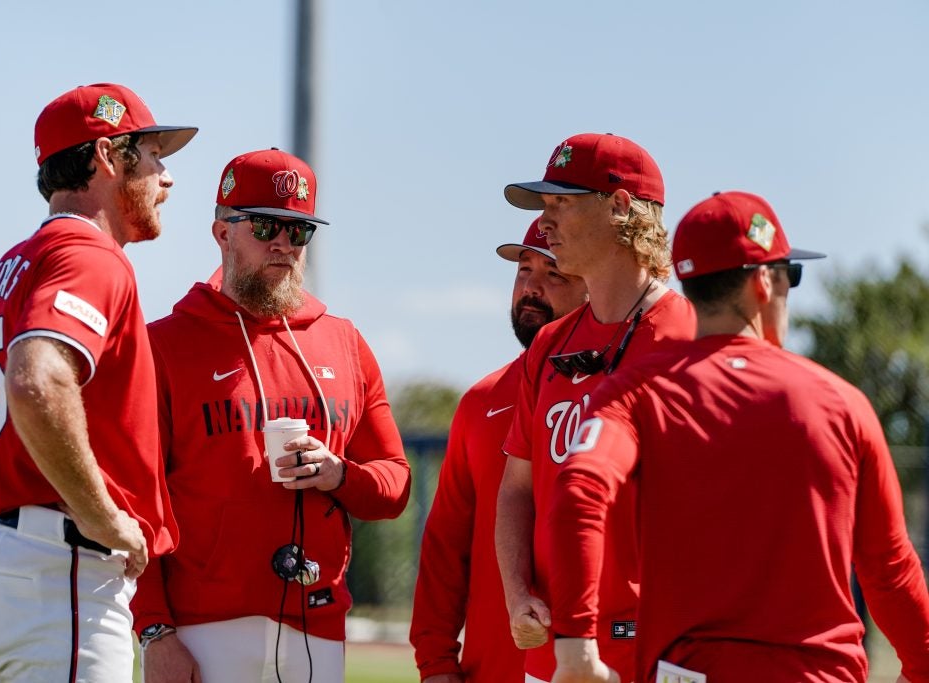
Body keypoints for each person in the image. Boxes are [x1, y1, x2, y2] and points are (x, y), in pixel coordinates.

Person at [548, 190, 929, 683]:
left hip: (689, 671)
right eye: (791, 274)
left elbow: (578, 491)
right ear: (764, 284)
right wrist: (921, 664)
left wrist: (575, 645)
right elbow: (889, 565)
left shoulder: (635, 392)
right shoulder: (841, 403)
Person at [131, 148, 413, 683]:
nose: (283, 242)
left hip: (317, 622)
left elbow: (395, 485)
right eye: (265, 226)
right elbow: (136, 501)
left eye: (298, 230)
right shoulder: (164, 345)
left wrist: (340, 475)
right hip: (202, 628)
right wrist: (154, 631)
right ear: (222, 233)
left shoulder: (344, 341)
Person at [0, 82, 197, 681]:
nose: (167, 176)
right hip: (56, 566)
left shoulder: (11, 265)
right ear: (109, 157)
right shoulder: (91, 255)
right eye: (153, 154)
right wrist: (105, 518)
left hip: (0, 559)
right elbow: (36, 382)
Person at [494, 133, 697, 683]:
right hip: (560, 651)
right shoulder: (548, 345)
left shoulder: (689, 337)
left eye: (561, 202)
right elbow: (516, 488)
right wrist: (517, 597)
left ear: (621, 206)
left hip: (663, 651)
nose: (545, 221)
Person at [410, 219, 589, 682]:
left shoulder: (622, 385)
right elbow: (445, 547)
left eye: (553, 274)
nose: (531, 288)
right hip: (490, 669)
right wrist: (435, 663)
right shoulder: (482, 401)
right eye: (523, 270)